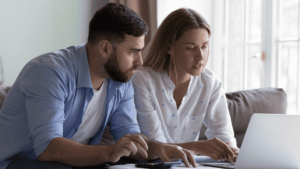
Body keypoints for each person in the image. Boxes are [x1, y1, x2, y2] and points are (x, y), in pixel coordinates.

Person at [0, 3, 197, 169]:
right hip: (19, 162)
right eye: (132, 52)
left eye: (140, 52)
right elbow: (48, 148)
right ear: (105, 48)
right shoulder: (49, 72)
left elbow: (130, 137)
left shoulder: (121, 80)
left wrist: (159, 148)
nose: (139, 62)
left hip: (73, 163)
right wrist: (108, 152)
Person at [132, 8, 239, 162]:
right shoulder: (142, 80)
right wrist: (196, 147)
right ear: (169, 47)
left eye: (204, 46)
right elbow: (156, 148)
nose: (200, 57)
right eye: (190, 48)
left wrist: (234, 152)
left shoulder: (210, 82)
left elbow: (223, 134)